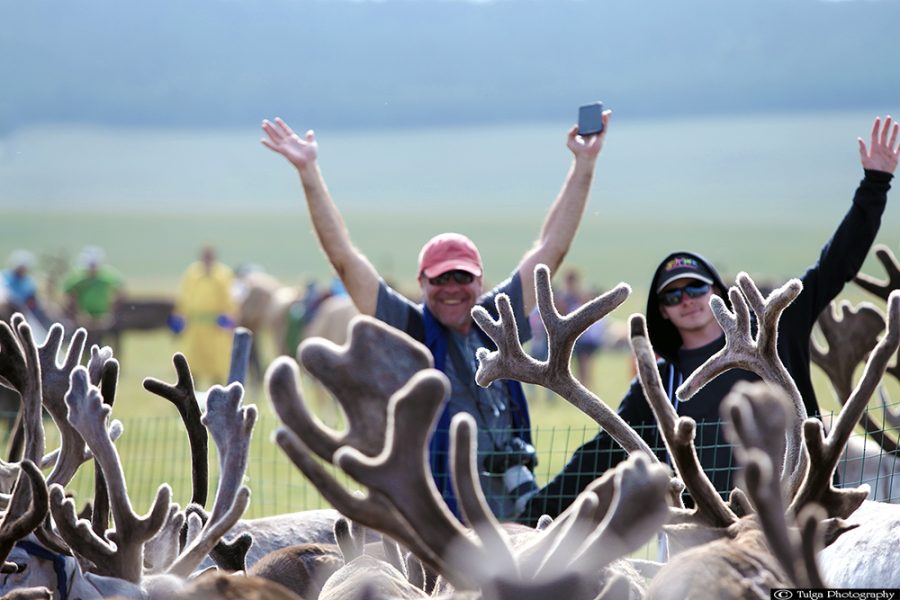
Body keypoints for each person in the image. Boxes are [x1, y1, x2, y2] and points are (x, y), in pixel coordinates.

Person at [518, 114, 899, 524]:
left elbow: (834, 266)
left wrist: (875, 185)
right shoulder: (659, 383)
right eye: (673, 294)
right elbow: (599, 456)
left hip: (803, 521)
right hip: (716, 536)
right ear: (662, 310)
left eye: (695, 287)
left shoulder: (773, 330)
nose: (687, 299)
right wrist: (527, 519)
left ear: (715, 291)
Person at [261, 111, 611, 518]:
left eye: (462, 277)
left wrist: (584, 165)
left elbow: (550, 248)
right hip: (438, 519)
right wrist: (308, 172)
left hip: (514, 516)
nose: (451, 289)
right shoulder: (407, 328)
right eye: (440, 279)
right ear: (421, 283)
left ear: (480, 281)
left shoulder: (501, 320)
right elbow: (345, 259)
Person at [169, 246, 237, 387]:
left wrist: (230, 316)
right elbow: (185, 295)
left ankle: (218, 395)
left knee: (218, 366)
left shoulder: (223, 274)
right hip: (195, 327)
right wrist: (178, 315)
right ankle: (190, 395)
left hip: (215, 328)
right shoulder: (193, 273)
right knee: (191, 365)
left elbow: (230, 297)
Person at [64, 246, 125, 347]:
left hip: (104, 318)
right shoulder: (78, 279)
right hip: (83, 319)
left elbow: (120, 293)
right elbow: (69, 296)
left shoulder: (108, 277)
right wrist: (78, 314)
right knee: (83, 345)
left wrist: (111, 311)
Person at [1, 250, 51, 330]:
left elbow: (32, 299)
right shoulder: (4, 277)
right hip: (7, 308)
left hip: (23, 310)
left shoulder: (28, 282)